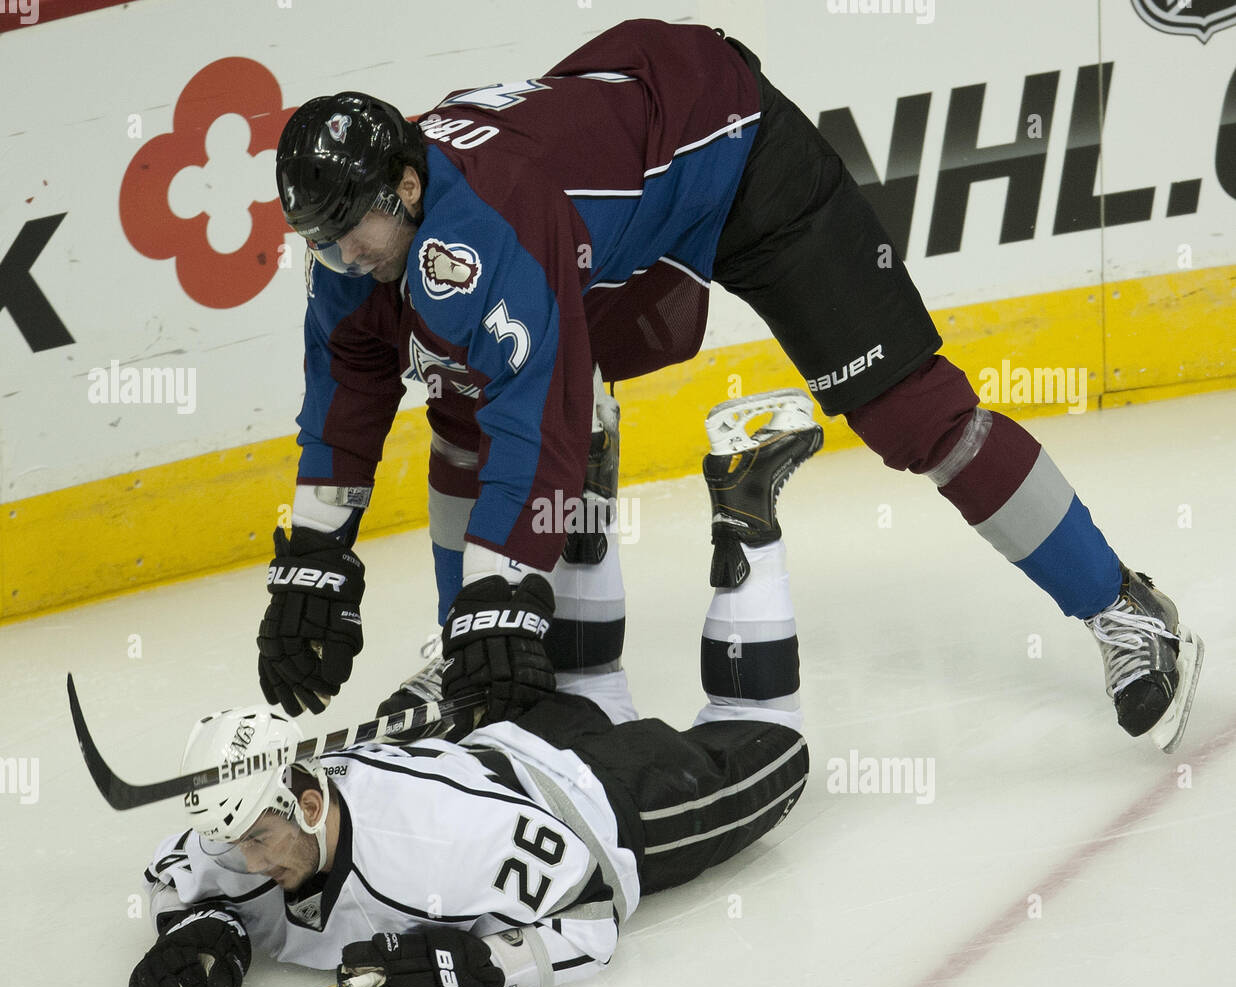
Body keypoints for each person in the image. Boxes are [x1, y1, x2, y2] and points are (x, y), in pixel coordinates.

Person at [259, 18, 1201, 754]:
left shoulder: (483, 227)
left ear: (407, 192)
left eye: (350, 232)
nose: (339, 256)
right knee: (464, 403)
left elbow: (535, 429)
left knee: (914, 417)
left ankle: (1124, 608)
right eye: (321, 237)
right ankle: (469, 655)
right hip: (614, 209)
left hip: (733, 150)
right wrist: (312, 556)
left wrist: (499, 599)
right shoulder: (361, 239)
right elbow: (344, 395)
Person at [131, 394, 816, 987]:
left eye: (257, 840)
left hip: (600, 794)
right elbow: (176, 867)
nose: (246, 863)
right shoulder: (252, 809)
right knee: (586, 682)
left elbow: (590, 918)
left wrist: (478, 968)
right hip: (506, 733)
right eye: (237, 841)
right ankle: (584, 470)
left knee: (770, 735)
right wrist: (200, 927)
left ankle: (744, 502)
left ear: (310, 806)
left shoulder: (438, 849)